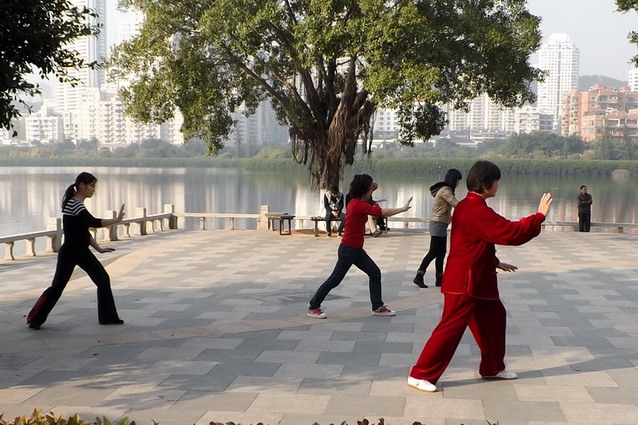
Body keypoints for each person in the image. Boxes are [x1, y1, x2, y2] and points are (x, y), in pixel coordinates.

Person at [408, 160, 552, 392]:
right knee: (450, 327)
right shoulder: (475, 209)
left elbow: (473, 243)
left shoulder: (469, 206)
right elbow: (510, 232)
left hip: (478, 279)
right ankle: (420, 374)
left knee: (495, 317)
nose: (498, 185)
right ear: (486, 184)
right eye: (496, 181)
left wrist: (495, 262)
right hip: (465, 282)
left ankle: (492, 367)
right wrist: (539, 217)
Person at [27, 172, 126, 329]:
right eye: (92, 186)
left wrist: (98, 248)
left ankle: (108, 317)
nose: (93, 190)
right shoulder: (75, 204)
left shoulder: (77, 204)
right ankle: (35, 318)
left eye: (94, 186)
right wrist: (116, 220)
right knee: (58, 286)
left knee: (102, 279)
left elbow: (83, 231)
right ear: (82, 185)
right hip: (71, 252)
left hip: (81, 251)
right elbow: (92, 222)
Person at [307, 174, 413, 319]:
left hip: (355, 250)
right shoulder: (358, 205)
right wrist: (402, 209)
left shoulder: (354, 201)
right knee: (335, 280)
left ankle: (377, 306)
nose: (372, 189)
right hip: (348, 250)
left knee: (374, 273)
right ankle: (313, 306)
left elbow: (368, 200)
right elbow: (379, 212)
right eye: (370, 188)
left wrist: (372, 190)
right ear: (365, 189)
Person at [413, 169, 462, 289]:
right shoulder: (446, 190)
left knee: (441, 253)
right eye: (458, 181)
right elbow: (456, 204)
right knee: (433, 252)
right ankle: (419, 276)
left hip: (441, 224)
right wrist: (470, 206)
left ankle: (439, 279)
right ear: (453, 179)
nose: (458, 183)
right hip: (438, 223)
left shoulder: (446, 189)